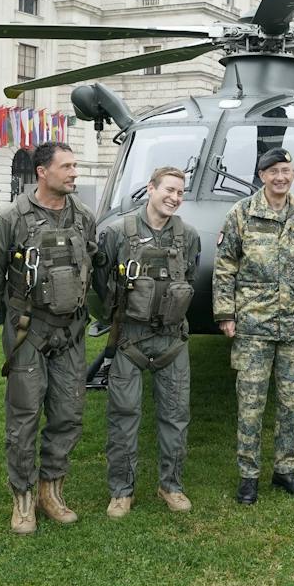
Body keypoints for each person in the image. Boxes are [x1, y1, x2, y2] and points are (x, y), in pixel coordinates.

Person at [0, 141, 98, 534]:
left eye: (75, 166)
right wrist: (8, 322)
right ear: (42, 172)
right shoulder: (13, 218)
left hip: (70, 333)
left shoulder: (83, 217)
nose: (73, 173)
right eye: (66, 166)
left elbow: (92, 264)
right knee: (24, 415)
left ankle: (52, 490)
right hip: (27, 332)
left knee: (69, 412)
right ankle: (23, 498)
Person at [213, 147, 294, 505]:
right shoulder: (242, 213)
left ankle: (284, 470)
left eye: (287, 170)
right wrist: (225, 314)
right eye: (274, 171)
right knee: (250, 403)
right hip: (253, 325)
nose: (281, 177)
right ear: (262, 175)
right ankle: (248, 476)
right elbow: (225, 266)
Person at [92, 166, 200, 518]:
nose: (174, 198)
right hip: (130, 339)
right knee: (123, 416)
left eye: (180, 193)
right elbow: (103, 281)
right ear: (150, 189)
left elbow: (191, 276)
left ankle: (171, 485)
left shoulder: (189, 236)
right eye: (168, 189)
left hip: (172, 340)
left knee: (176, 416)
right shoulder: (117, 233)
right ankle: (121, 491)